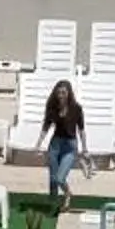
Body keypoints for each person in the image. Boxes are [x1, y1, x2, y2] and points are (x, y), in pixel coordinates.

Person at [40, 79, 89, 208]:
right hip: (55, 145)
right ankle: (53, 203)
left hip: (70, 146)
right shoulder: (52, 107)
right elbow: (46, 126)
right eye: (59, 93)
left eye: (63, 92)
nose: (60, 95)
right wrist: (38, 143)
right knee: (52, 177)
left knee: (60, 178)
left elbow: (82, 130)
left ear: (69, 93)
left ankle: (67, 193)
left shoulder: (76, 108)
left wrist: (84, 149)